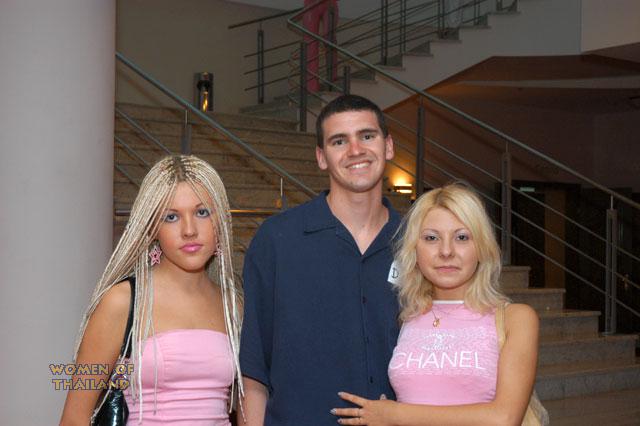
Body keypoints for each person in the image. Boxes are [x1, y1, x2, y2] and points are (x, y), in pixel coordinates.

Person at [239, 94, 401, 425]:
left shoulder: (418, 241)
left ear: (388, 146)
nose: (355, 150)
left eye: (367, 136)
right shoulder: (277, 240)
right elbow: (253, 370)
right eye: (339, 141)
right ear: (321, 157)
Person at [332, 183, 540, 425]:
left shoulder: (516, 319)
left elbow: (503, 418)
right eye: (431, 238)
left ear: (482, 247)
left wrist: (394, 415)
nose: (446, 251)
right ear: (415, 249)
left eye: (462, 237)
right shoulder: (405, 315)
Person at [60, 155, 243, 425]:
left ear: (221, 221)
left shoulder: (233, 306)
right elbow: (73, 418)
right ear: (152, 228)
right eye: (171, 217)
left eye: (202, 212)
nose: (189, 230)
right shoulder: (122, 302)